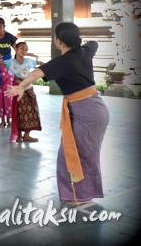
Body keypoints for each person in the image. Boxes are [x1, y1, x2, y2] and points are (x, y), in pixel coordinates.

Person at [6, 22, 109, 206]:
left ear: (58, 41)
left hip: (86, 112)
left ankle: (76, 196)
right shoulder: (85, 51)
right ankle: (83, 193)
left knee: (71, 155)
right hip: (97, 109)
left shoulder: (62, 62)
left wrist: (21, 86)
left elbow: (36, 73)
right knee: (86, 154)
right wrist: (82, 43)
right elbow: (94, 43)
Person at [0, 41, 43, 143]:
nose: (24, 51)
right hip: (17, 88)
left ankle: (27, 135)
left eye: (26, 49)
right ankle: (19, 135)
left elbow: (40, 64)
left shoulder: (29, 61)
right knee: (19, 111)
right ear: (16, 49)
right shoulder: (10, 62)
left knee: (32, 110)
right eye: (21, 48)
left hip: (29, 88)